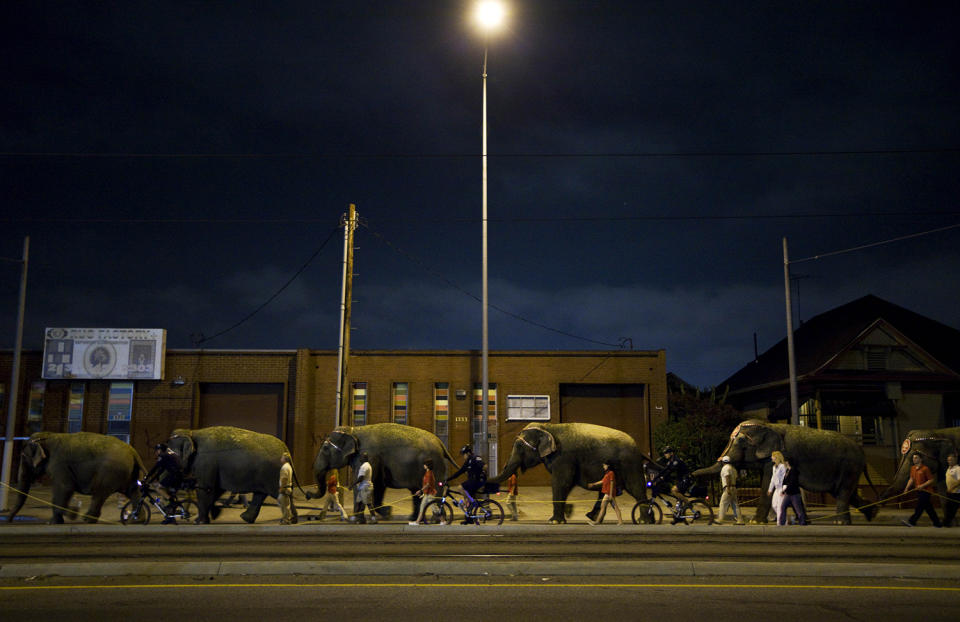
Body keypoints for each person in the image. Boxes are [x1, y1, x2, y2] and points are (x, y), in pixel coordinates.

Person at [447, 445, 487, 524]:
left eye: (464, 454)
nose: (463, 456)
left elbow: (484, 465)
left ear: (468, 453)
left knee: (460, 488)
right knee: (466, 500)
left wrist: (482, 472)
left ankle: (472, 501)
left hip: (477, 480)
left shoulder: (475, 458)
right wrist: (448, 479)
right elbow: (460, 472)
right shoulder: (467, 462)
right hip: (472, 481)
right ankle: (469, 519)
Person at [145, 443, 183, 524]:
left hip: (174, 476)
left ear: (160, 450)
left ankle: (171, 500)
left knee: (158, 488)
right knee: (165, 497)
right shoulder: (169, 455)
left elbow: (155, 468)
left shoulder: (163, 456)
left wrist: (147, 477)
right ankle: (170, 518)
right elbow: (161, 470)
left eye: (156, 450)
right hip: (177, 476)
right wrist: (152, 479)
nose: (156, 452)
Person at [902, 452, 942, 527]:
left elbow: (931, 480)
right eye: (913, 458)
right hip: (919, 491)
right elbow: (911, 479)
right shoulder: (913, 468)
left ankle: (912, 521)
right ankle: (937, 523)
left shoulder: (925, 468)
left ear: (921, 459)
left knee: (919, 507)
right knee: (929, 508)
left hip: (926, 491)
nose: (914, 459)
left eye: (916, 457)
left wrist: (922, 486)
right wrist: (906, 488)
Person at [778, 455, 807, 525]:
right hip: (788, 493)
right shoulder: (788, 470)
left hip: (794, 493)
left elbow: (792, 482)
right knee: (783, 507)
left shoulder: (793, 471)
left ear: (787, 462)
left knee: (798, 509)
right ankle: (781, 522)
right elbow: (786, 481)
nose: (783, 463)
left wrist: (784, 490)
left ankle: (802, 522)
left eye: (784, 461)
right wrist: (784, 488)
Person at [410, 459, 438, 525]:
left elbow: (428, 484)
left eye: (424, 464)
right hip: (426, 494)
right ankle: (417, 522)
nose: (424, 465)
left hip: (430, 494)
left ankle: (443, 521)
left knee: (434, 508)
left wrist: (420, 490)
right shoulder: (428, 472)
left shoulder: (429, 473)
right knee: (422, 508)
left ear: (427, 466)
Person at [352, 452, 377, 524]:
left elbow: (361, 478)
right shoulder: (366, 465)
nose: (360, 458)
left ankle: (373, 518)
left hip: (365, 488)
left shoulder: (365, 466)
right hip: (363, 487)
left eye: (361, 457)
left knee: (367, 504)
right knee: (358, 503)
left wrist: (352, 484)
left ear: (364, 458)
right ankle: (355, 518)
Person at [717, 455, 743, 525]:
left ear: (723, 462)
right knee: (735, 505)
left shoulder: (725, 468)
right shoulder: (733, 468)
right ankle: (740, 520)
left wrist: (728, 488)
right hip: (734, 487)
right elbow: (736, 478)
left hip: (728, 488)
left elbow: (727, 477)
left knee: (723, 503)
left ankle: (720, 519)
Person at [767, 450, 786, 524]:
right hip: (776, 489)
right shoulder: (774, 467)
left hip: (781, 488)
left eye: (772, 456)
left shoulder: (782, 466)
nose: (771, 457)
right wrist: (770, 489)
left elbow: (785, 478)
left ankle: (780, 522)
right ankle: (784, 519)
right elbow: (773, 479)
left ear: (776, 457)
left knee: (779, 506)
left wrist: (784, 489)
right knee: (774, 505)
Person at [943, 453, 960, 527]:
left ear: (955, 460)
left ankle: (946, 523)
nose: (949, 461)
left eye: (951, 460)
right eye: (948, 460)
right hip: (950, 492)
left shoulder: (958, 469)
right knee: (948, 508)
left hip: (956, 493)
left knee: (952, 509)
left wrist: (952, 488)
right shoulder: (949, 468)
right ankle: (947, 523)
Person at [278, 455, 295, 525]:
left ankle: (286, 519)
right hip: (288, 488)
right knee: (286, 504)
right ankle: (288, 517)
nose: (280, 459)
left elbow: (284, 479)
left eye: (282, 458)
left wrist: (282, 488)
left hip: (285, 488)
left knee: (283, 504)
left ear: (285, 459)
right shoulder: (289, 466)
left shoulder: (284, 467)